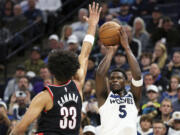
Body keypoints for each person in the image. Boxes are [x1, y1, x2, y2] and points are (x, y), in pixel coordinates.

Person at [10, 2, 102, 135]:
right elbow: (85, 53)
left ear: (51, 71)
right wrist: (92, 26)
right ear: (73, 69)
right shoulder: (78, 85)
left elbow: (20, 128)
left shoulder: (46, 96)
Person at [96, 27, 142, 135]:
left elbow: (138, 76)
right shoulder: (104, 98)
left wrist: (127, 47)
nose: (115, 80)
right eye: (112, 78)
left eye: (118, 78)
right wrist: (110, 53)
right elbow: (99, 74)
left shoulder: (134, 97)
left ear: (125, 81)